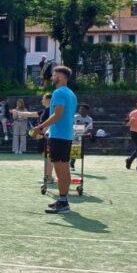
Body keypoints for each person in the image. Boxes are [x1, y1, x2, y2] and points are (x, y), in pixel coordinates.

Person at [33, 66, 77, 214]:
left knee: (60, 170)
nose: (52, 77)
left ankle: (63, 203)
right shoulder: (71, 94)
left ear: (61, 76)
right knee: (64, 168)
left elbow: (57, 115)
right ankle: (63, 200)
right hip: (66, 135)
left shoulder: (58, 93)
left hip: (59, 136)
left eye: (54, 74)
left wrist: (40, 126)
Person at [73, 104, 93, 170]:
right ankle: (70, 163)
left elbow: (90, 129)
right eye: (80, 109)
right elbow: (72, 126)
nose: (80, 110)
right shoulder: (75, 117)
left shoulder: (89, 119)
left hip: (81, 136)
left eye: (82, 109)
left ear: (87, 111)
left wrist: (85, 133)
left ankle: (72, 163)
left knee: (76, 149)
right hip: (73, 135)